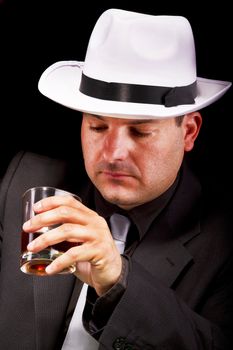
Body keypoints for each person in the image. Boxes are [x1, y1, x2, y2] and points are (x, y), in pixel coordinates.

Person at [0, 8, 232, 350]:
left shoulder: (224, 240)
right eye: (97, 126)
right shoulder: (26, 179)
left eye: (139, 132)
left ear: (190, 132)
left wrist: (118, 281)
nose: (113, 153)